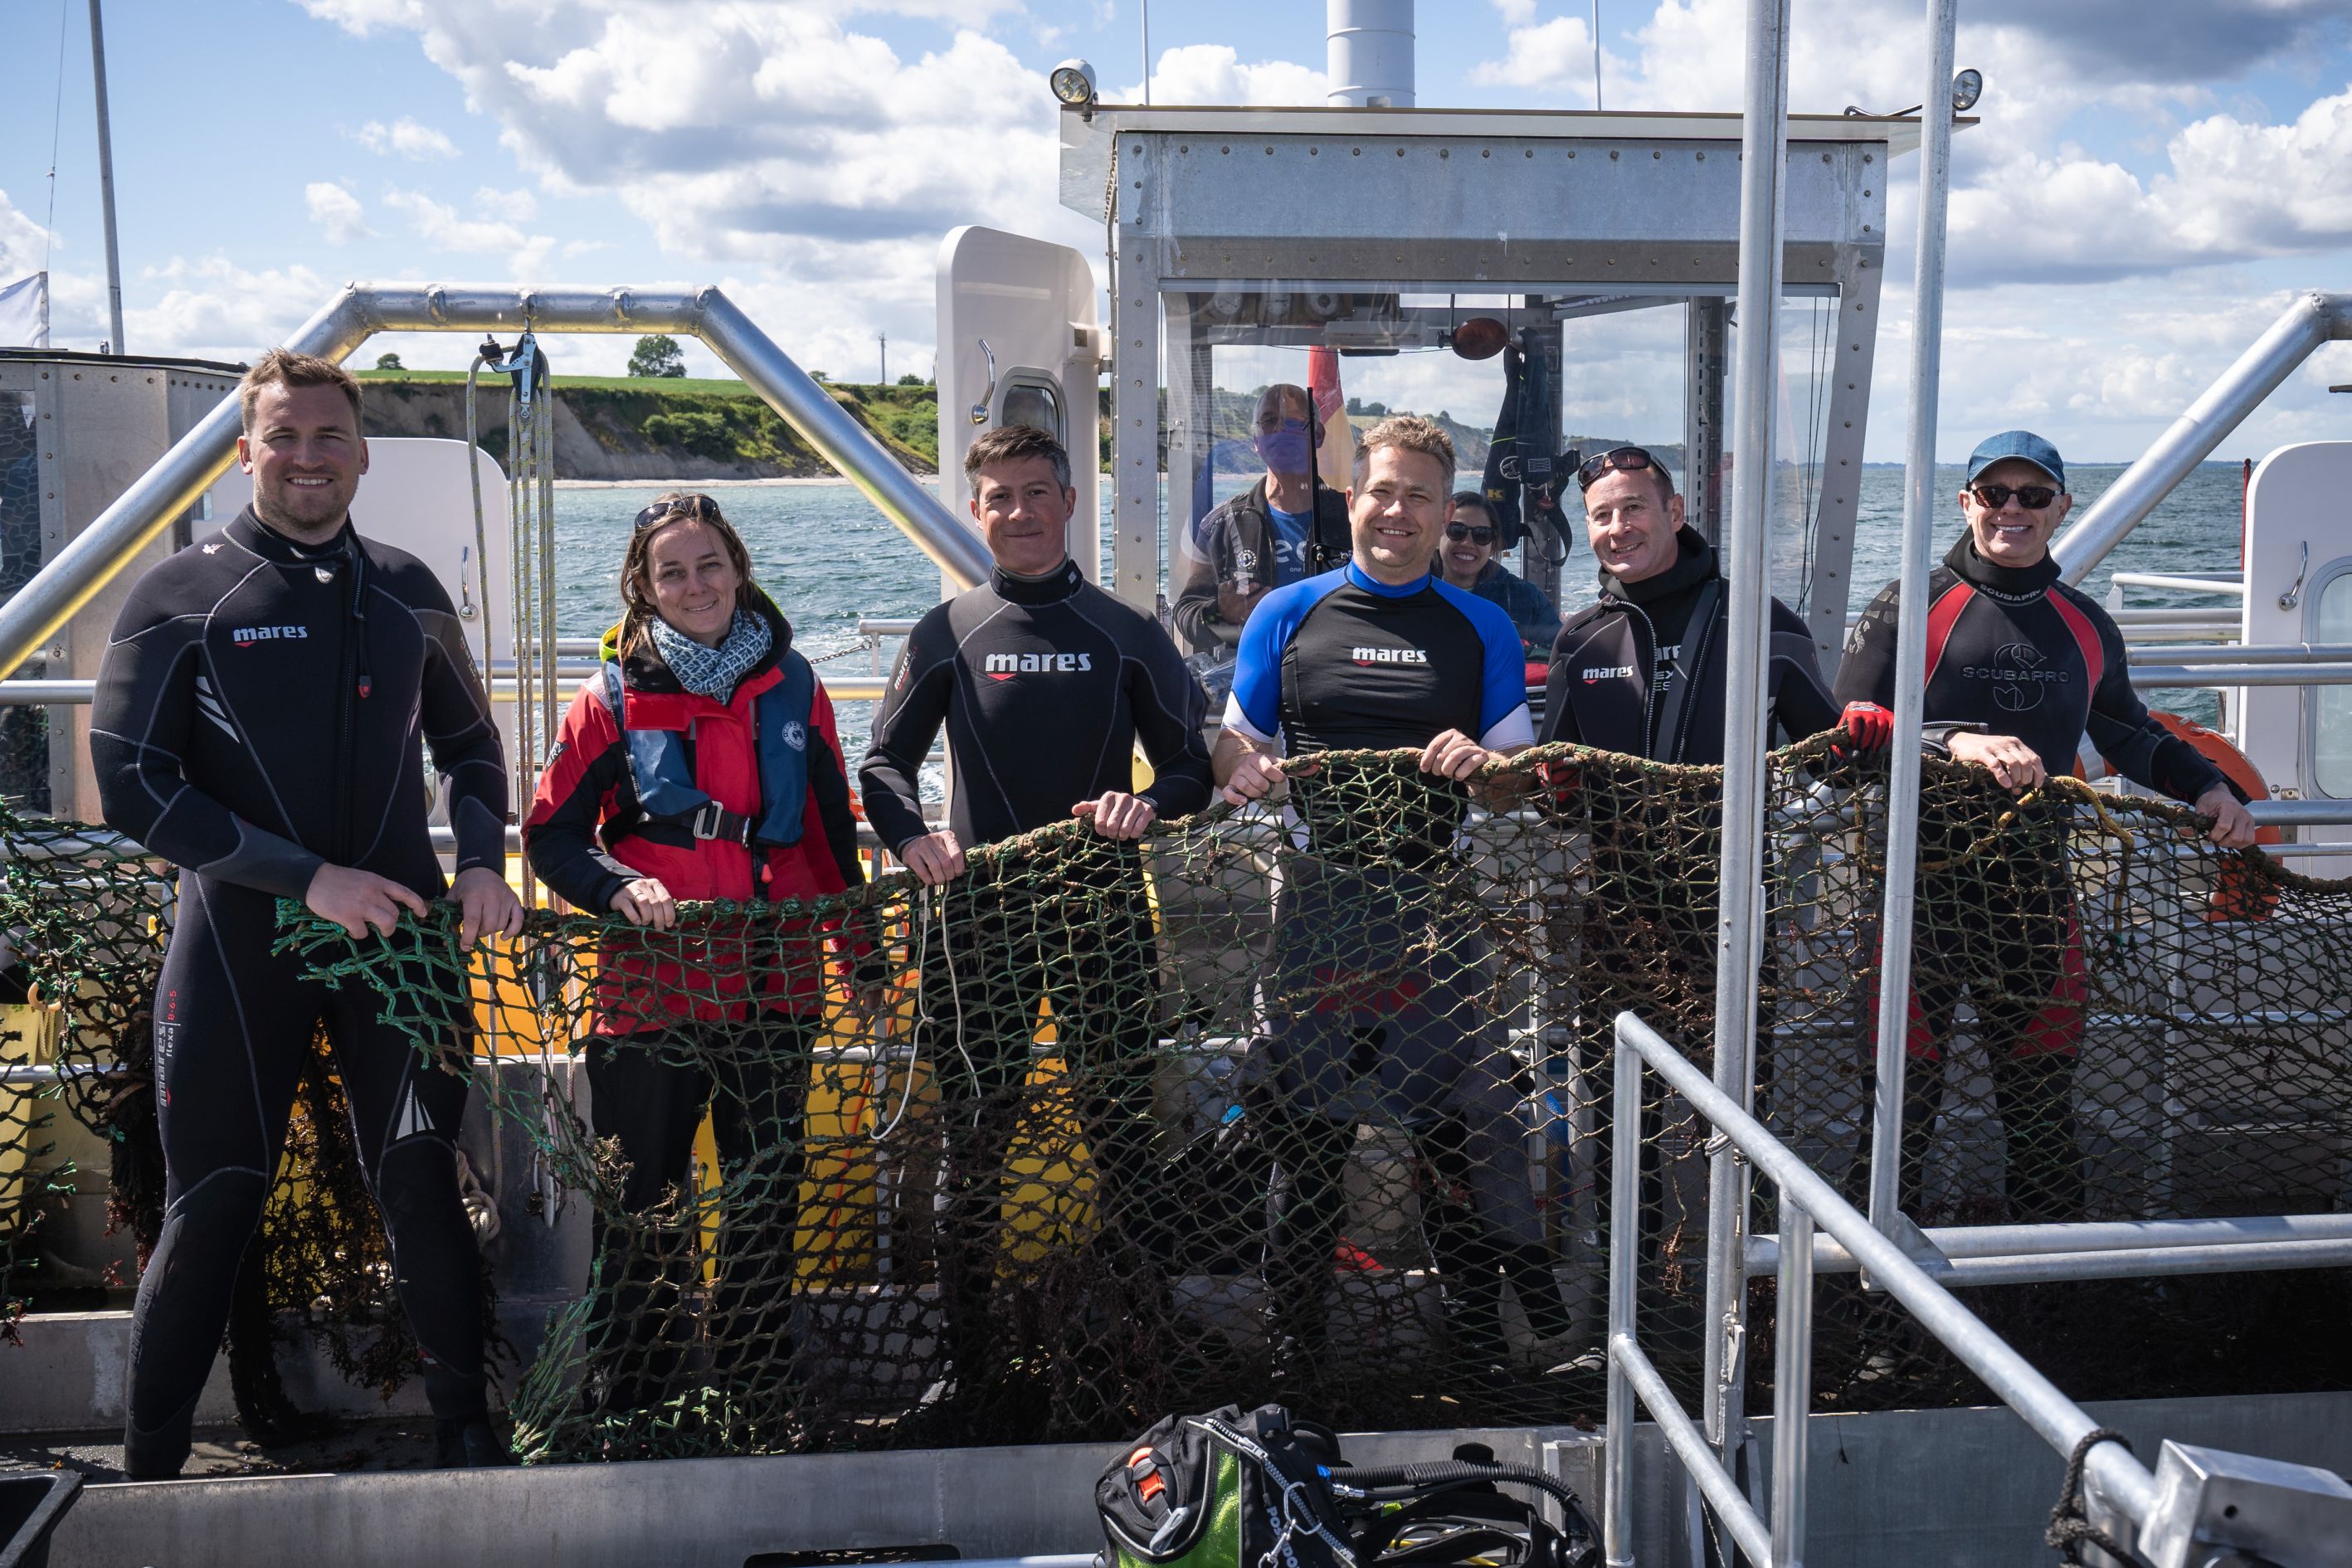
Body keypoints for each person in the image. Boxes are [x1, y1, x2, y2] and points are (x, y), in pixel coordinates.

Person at [90, 349, 523, 1476]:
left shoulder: (408, 588)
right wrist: (306, 878)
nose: (306, 457)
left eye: (328, 435)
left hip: (403, 944)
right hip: (240, 942)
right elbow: (133, 782)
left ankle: (466, 1435)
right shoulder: (180, 595)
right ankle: (149, 1464)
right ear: (245, 452)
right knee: (217, 1196)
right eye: (282, 436)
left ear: (363, 451)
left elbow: (471, 748)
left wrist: (482, 863)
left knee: (422, 1172)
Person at [859, 422, 1214, 1430]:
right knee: (973, 1146)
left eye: (1035, 493)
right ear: (978, 512)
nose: (1017, 513)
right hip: (978, 924)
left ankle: (1149, 1352)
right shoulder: (949, 631)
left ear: (1069, 503)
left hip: (1102, 916)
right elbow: (882, 765)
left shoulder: (1129, 629)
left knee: (1123, 1144)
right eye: (998, 498)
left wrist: (1150, 804)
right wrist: (910, 838)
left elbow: (1189, 765)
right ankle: (967, 1370)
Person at [1214, 414, 1568, 1382]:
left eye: (1420, 496)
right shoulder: (1287, 612)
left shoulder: (1481, 625)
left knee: (1456, 1133)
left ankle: (1481, 1342)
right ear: (1353, 496)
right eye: (1383, 491)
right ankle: (1297, 1356)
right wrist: (1245, 770)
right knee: (1307, 1140)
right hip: (1317, 915)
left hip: (1435, 918)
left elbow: (1514, 775)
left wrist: (1483, 768)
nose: (1399, 512)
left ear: (1443, 508)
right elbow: (1233, 742)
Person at [1835, 430, 2258, 1222]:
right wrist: (1951, 739)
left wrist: (2210, 788)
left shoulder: (2085, 624)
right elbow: (1848, 730)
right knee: (1897, 1117)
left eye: (2033, 496)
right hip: (1910, 898)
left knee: (2040, 1116)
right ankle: (1881, 1336)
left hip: (2031, 900)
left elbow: (2127, 732)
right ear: (1966, 504)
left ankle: (2042, 1310)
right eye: (1995, 494)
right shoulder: (1908, 604)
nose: (2012, 510)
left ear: (2061, 508)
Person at [523, 491, 867, 1438]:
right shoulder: (609, 701)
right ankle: (633, 1395)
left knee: (765, 1201)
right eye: (671, 571)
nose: (694, 584)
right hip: (650, 998)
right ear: (642, 586)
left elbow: (835, 836)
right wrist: (615, 888)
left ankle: (759, 1388)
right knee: (642, 1204)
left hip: (777, 989)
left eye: (709, 564)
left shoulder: (795, 686)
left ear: (738, 569)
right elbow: (551, 838)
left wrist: (866, 965)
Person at [1541, 446, 1838, 764]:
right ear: (1589, 528)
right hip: (1612, 817)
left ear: (1675, 513)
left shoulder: (1759, 622)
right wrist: (1551, 783)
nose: (1618, 527)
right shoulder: (1578, 640)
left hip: (1730, 817)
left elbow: (1836, 765)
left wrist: (1864, 728)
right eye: (1602, 515)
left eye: (1634, 507)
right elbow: (1549, 781)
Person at [1172, 383, 1351, 655]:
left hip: (1335, 672)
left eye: (1293, 423)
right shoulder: (1222, 523)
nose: (1280, 431)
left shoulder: (1355, 518)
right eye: (1269, 422)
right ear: (1256, 441)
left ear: (1318, 435)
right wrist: (1220, 612)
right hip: (1253, 678)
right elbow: (1187, 613)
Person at [1434, 492, 1561, 659]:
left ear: (1493, 546)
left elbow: (1558, 657)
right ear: (1436, 536)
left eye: (1482, 535)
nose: (1467, 543)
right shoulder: (1411, 593)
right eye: (1457, 530)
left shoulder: (1526, 599)